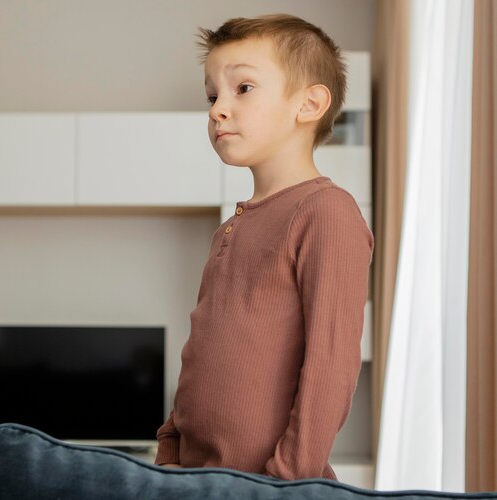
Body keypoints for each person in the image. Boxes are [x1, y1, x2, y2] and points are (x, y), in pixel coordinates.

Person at [154, 13, 374, 480]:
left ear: (309, 103)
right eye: (212, 95)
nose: (217, 109)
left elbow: (330, 364)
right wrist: (170, 448)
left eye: (243, 89)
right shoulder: (229, 229)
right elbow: (202, 352)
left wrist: (285, 482)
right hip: (194, 481)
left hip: (269, 487)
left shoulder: (326, 213)